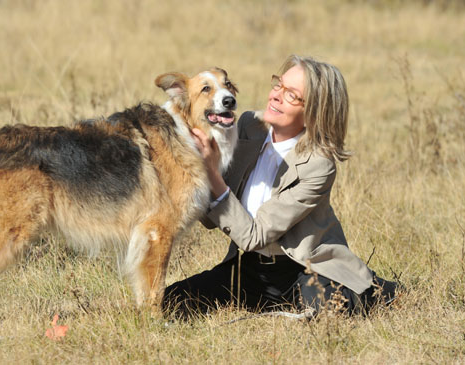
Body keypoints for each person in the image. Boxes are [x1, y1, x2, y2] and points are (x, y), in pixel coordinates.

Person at [162, 54, 399, 318]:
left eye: (291, 95)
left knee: (330, 312)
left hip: (305, 269)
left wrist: (211, 173)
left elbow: (254, 236)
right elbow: (210, 218)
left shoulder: (318, 165)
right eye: (278, 85)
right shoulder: (248, 126)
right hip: (252, 269)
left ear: (313, 113)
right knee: (172, 300)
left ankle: (381, 291)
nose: (276, 95)